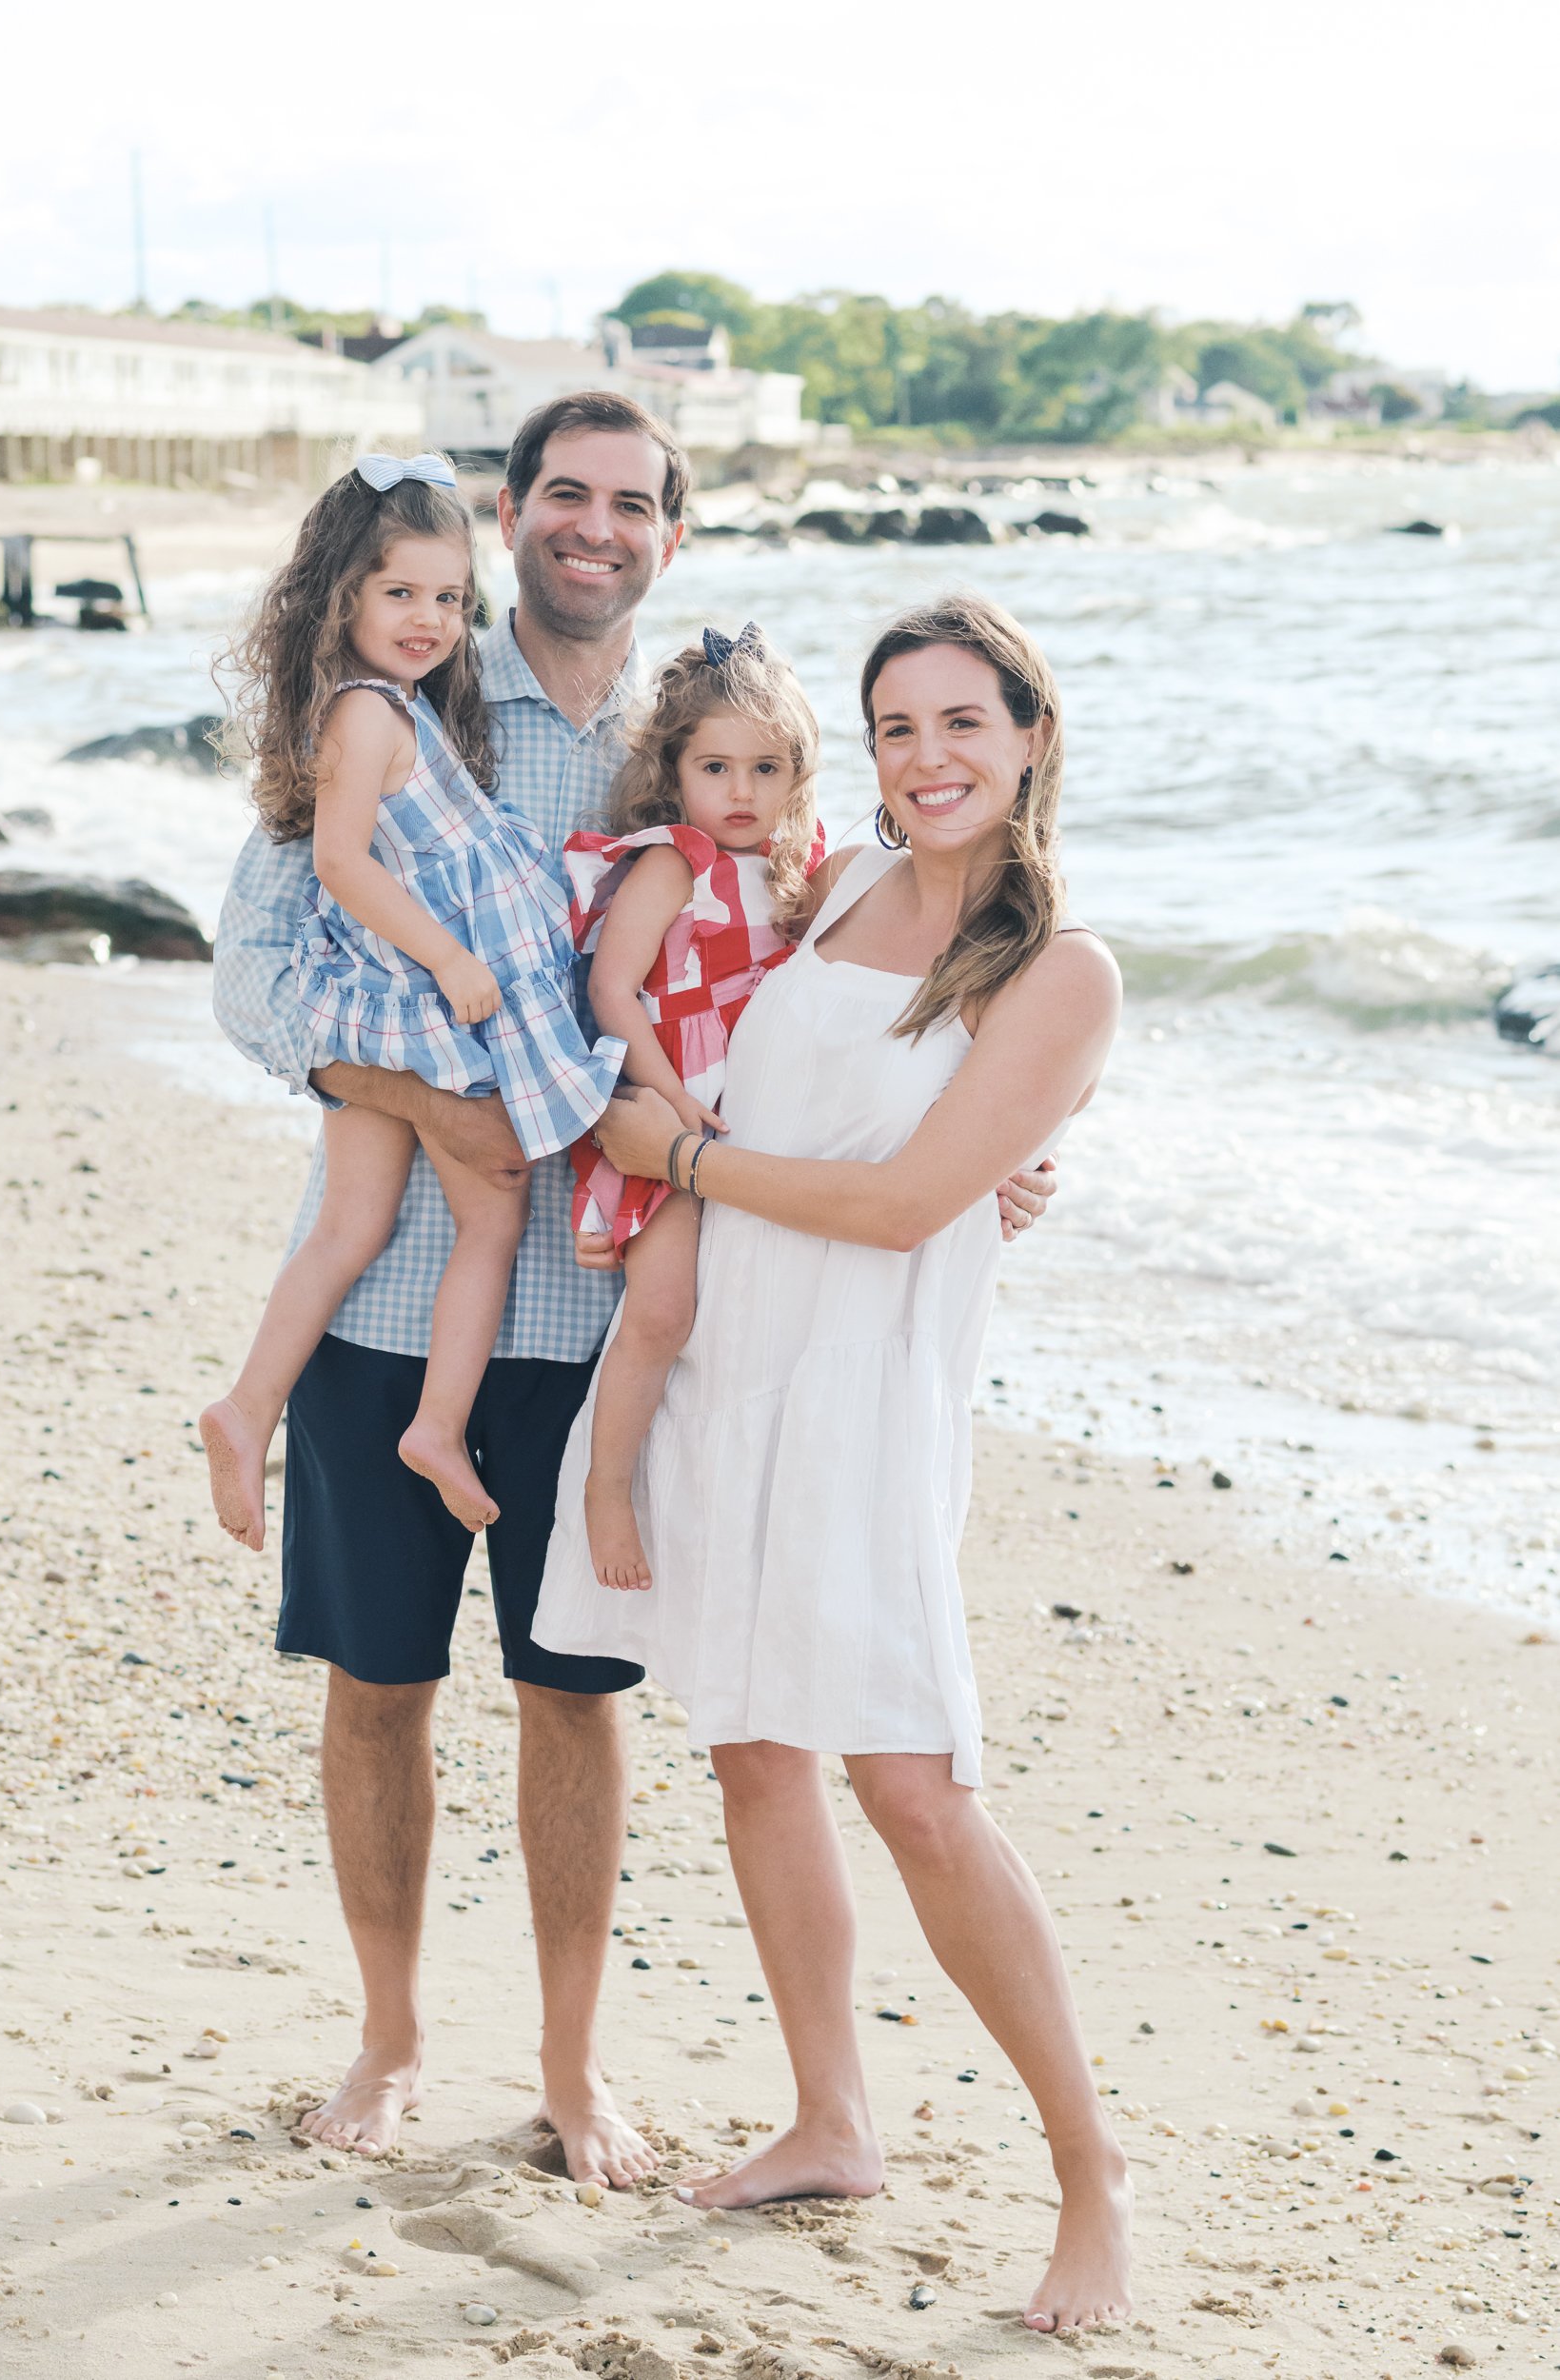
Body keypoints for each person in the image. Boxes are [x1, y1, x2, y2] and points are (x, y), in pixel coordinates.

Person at [208, 394, 1060, 2190]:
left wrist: (993, 1156)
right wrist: (445, 1109)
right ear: (516, 513)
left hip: (616, 1330)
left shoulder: (710, 746)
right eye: (566, 496)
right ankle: (387, 2038)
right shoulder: (411, 685)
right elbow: (258, 978)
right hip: (405, 1297)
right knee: (375, 1683)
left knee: (570, 1697)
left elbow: (847, 996)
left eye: (634, 504)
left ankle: (573, 2072)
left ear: (675, 531)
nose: (596, 528)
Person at [535, 592, 1132, 2332]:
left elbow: (891, 1206)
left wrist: (684, 1163)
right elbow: (763, 1064)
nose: (928, 758)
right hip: (729, 1360)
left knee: (916, 1786)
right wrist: (687, 1155)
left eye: (963, 722)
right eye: (895, 728)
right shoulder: (848, 883)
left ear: (1031, 734)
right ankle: (831, 2117)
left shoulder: (1061, 969)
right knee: (753, 1750)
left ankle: (1089, 2175)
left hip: (863, 1402)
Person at [199, 452, 622, 1550]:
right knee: (493, 1204)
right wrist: (451, 960)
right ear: (342, 598)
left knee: (354, 1225)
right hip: (406, 998)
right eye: (401, 594)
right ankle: (433, 1423)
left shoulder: (397, 704)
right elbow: (341, 864)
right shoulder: (368, 715)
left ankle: (248, 1409)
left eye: (448, 597)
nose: (431, 619)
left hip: (385, 992)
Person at [564, 622, 822, 1589]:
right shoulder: (676, 859)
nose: (743, 792)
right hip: (663, 1124)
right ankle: (606, 1486)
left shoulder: (806, 870)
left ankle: (740, 1521)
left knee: (752, 1332)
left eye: (768, 767)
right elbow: (613, 990)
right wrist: (670, 1103)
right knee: (664, 1311)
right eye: (718, 767)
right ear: (676, 772)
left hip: (759, 1135)